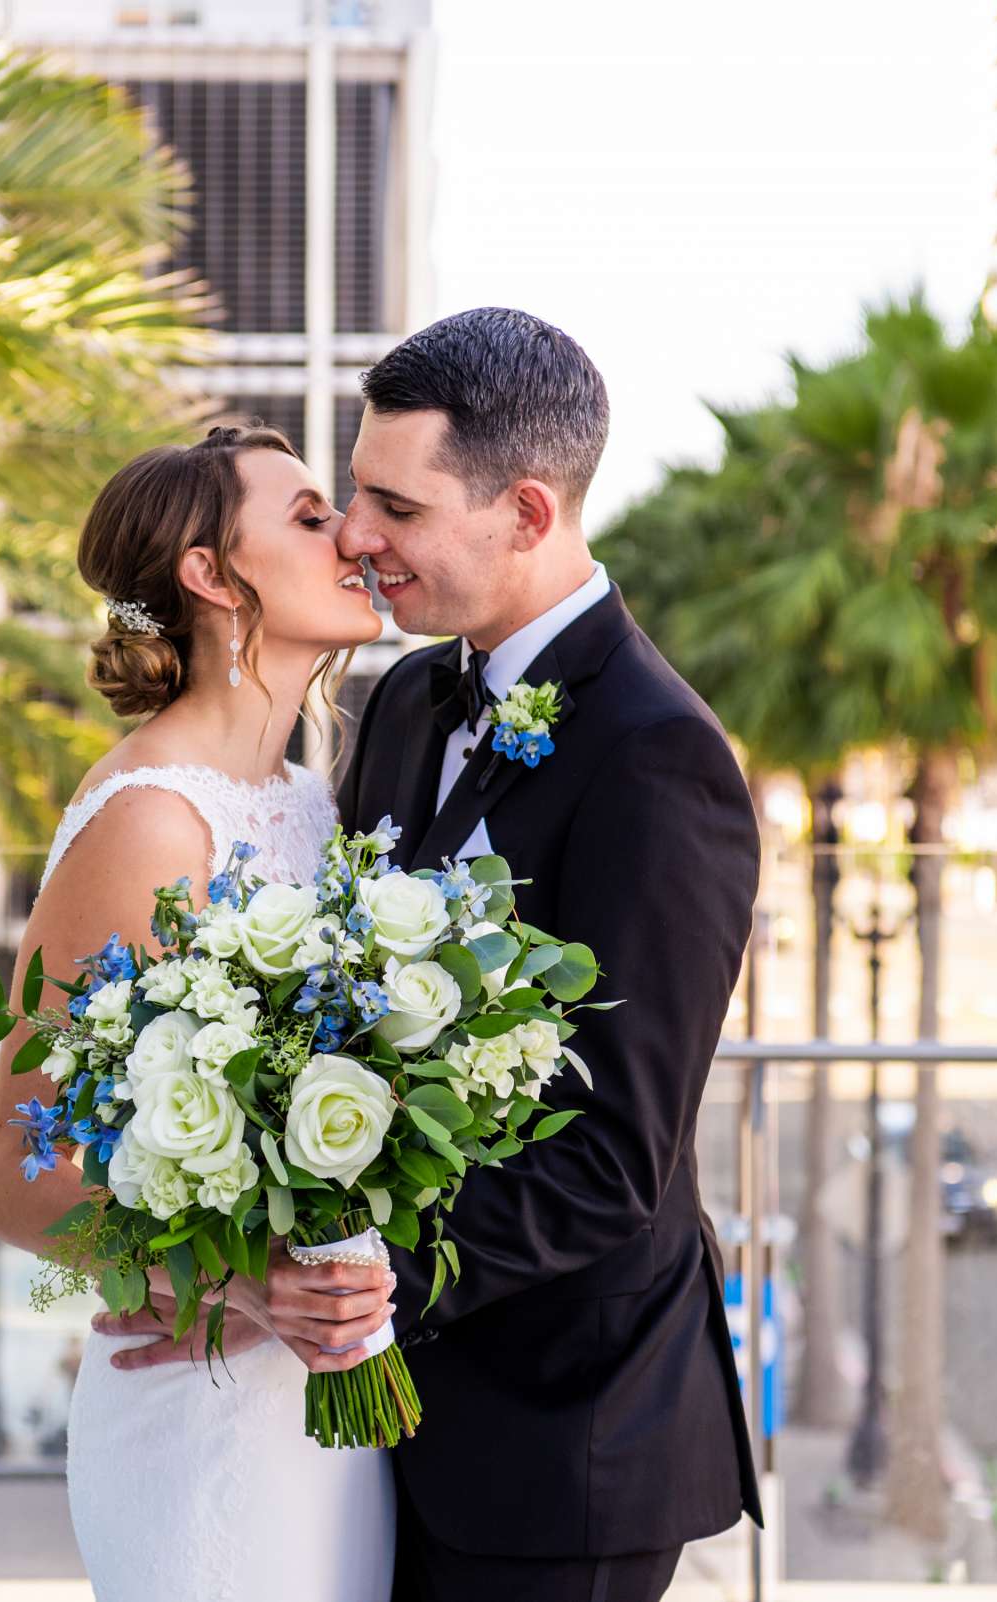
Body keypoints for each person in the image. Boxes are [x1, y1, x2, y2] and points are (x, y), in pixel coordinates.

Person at [233, 308, 765, 1602]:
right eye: (355, 492)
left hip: (563, 1436)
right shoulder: (404, 700)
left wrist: (367, 1276)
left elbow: (614, 1159)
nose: (356, 534)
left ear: (527, 513)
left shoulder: (661, 758)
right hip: (392, 1429)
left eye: (393, 506)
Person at [0, 424, 396, 1602]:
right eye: (311, 518)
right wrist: (242, 1283)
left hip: (323, 1403)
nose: (354, 538)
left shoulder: (309, 801)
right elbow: (11, 1174)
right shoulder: (153, 821)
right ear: (212, 576)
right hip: (203, 1415)